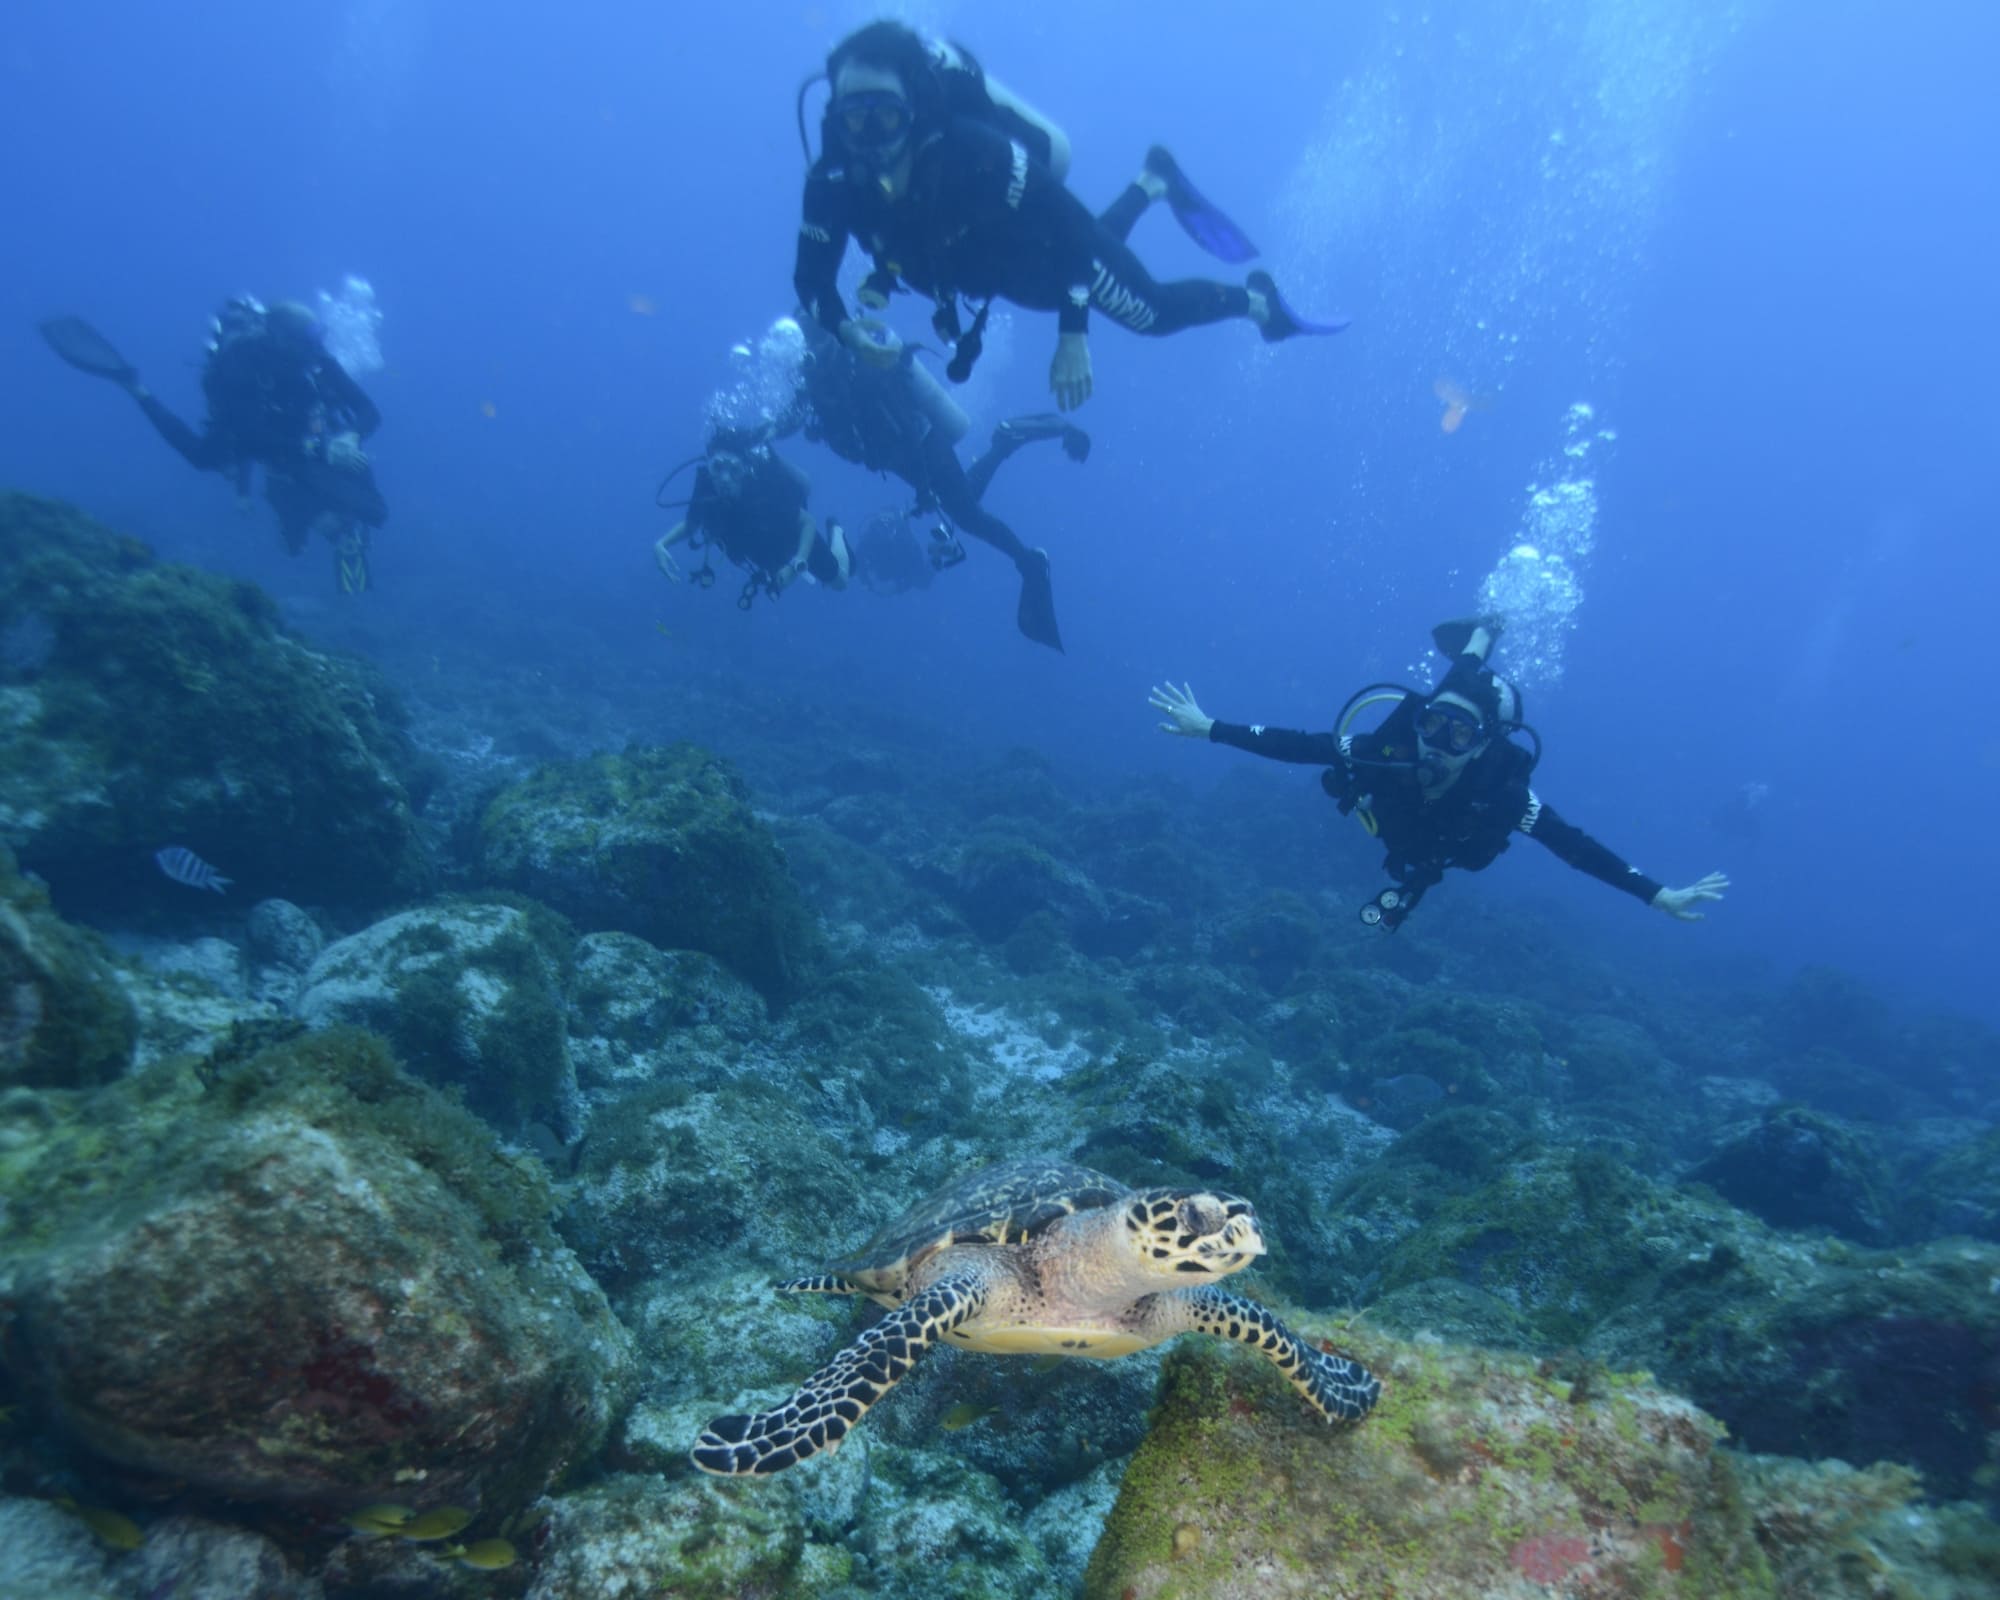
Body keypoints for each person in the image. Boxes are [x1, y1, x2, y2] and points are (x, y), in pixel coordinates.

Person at [794, 21, 1342, 414]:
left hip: (1051, 249)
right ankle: (1152, 181)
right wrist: (844, 330)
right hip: (998, 271)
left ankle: (1259, 302)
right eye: (853, 121)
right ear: (833, 121)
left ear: (912, 111)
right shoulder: (830, 183)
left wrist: (1074, 333)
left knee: (1149, 313)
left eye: (885, 116)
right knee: (1075, 279)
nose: (870, 141)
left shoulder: (976, 152)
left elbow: (1070, 226)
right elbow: (811, 279)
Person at [1149, 618, 1729, 930]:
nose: (1440, 746)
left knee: (1471, 682)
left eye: (1461, 736)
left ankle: (1481, 642)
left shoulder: (1502, 795)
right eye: (1433, 726)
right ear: (1418, 724)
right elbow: (1302, 746)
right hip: (1398, 826)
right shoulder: (1390, 749)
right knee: (1463, 681)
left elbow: (1574, 847)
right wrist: (1210, 727)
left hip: (1429, 844)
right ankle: (1479, 639)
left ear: (1482, 746)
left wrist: (1655, 894)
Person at [39, 298, 387, 593]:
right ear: (279, 338)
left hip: (299, 435)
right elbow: (252, 437)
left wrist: (351, 435)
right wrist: (316, 452)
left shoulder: (315, 358)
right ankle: (136, 389)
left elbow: (369, 410)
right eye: (306, 341)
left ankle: (336, 521)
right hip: (251, 428)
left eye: (317, 339)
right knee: (203, 458)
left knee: (373, 510)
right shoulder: (240, 366)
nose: (316, 348)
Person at [788, 313, 1085, 648]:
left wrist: (926, 484)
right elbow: (797, 420)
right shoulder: (817, 380)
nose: (811, 349)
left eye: (814, 338)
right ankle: (1004, 442)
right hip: (898, 459)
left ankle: (1030, 562)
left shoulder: (861, 370)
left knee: (968, 517)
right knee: (960, 504)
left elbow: (906, 424)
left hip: (924, 444)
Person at [653, 435, 852, 609]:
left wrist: (795, 566)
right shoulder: (707, 486)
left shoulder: (762, 492)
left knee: (840, 582)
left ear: (745, 470)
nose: (724, 478)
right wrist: (661, 544)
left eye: (734, 470)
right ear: (709, 465)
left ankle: (836, 531)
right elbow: (692, 524)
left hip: (792, 534)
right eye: (717, 467)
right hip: (761, 548)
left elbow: (808, 522)